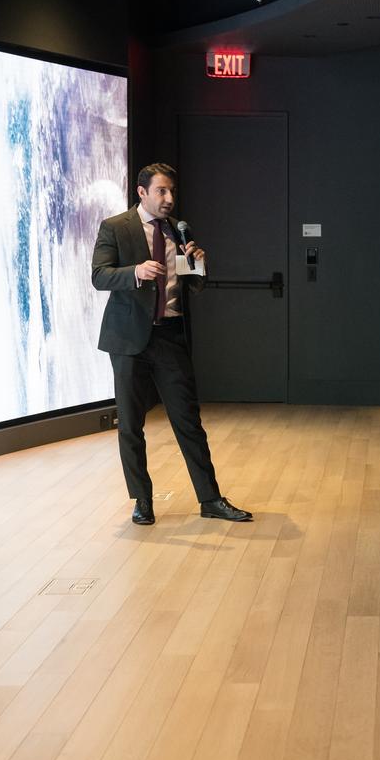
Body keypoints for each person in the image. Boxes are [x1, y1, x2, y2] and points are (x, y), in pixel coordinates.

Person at [91, 163, 250, 526]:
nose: (169, 198)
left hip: (169, 336)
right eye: (161, 191)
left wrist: (199, 266)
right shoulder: (116, 227)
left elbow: (194, 286)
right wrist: (135, 272)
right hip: (128, 339)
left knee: (188, 421)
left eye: (172, 191)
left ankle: (210, 499)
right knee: (131, 424)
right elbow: (99, 275)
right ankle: (142, 500)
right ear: (142, 192)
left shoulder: (178, 230)